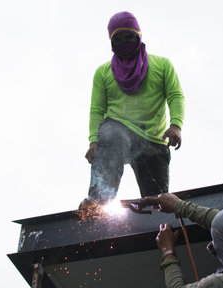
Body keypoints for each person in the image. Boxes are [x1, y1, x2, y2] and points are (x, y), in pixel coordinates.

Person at [79, 11, 185, 209]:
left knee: (157, 203)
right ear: (111, 42)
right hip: (118, 131)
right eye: (118, 38)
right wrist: (94, 141)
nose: (124, 41)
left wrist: (176, 125)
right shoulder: (103, 72)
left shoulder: (162, 65)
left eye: (129, 36)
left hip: (153, 140)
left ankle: (156, 224)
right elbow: (97, 110)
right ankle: (98, 203)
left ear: (138, 35)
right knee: (110, 132)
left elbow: (175, 96)